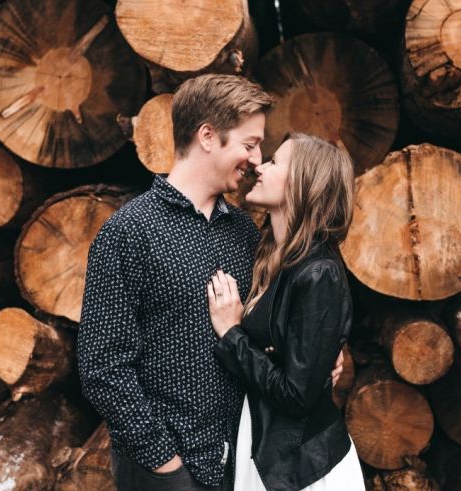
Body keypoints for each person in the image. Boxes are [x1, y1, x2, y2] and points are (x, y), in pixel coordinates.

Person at [77, 75, 343, 491]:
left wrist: (321, 355)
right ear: (207, 136)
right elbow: (103, 365)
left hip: (240, 466)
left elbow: (272, 327)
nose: (256, 160)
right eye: (249, 144)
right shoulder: (129, 231)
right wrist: (164, 463)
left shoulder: (245, 233)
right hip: (165, 472)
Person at [207, 133, 365, 491]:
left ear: (302, 183)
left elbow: (296, 395)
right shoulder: (270, 256)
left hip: (303, 470)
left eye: (275, 162)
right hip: (266, 451)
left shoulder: (319, 272)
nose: (260, 167)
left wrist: (232, 334)